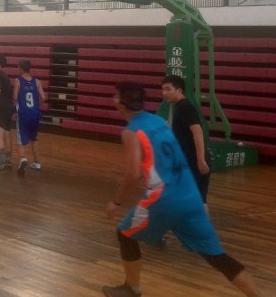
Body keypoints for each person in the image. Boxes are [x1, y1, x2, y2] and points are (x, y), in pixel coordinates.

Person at [103, 81, 259, 297]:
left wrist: (117, 201)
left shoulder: (131, 131)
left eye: (115, 96)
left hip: (164, 198)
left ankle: (132, 289)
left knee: (125, 234)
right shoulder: (158, 121)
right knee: (216, 256)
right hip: (189, 195)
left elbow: (133, 173)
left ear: (121, 104)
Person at [161, 74, 211, 208]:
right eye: (163, 89)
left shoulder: (185, 107)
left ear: (179, 90)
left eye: (168, 89)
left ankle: (202, 221)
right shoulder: (178, 107)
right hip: (187, 161)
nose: (164, 93)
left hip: (195, 161)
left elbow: (197, 132)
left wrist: (200, 160)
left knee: (198, 199)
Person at [13, 59, 46, 175]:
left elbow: (15, 97)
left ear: (21, 68)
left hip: (23, 114)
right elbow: (43, 97)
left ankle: (23, 159)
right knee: (34, 138)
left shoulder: (18, 81)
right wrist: (37, 105)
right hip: (35, 114)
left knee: (21, 139)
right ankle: (37, 162)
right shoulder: (37, 82)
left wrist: (15, 109)